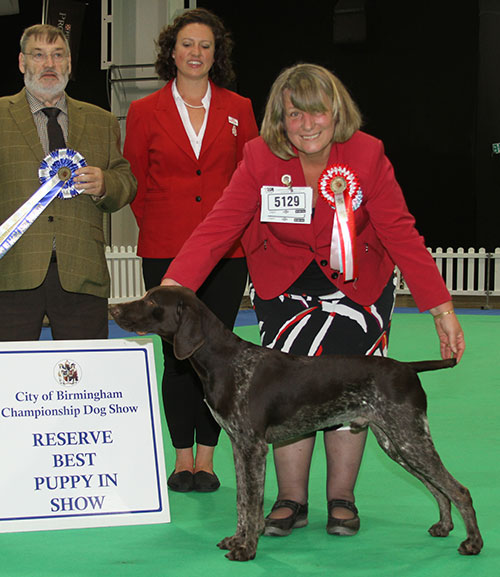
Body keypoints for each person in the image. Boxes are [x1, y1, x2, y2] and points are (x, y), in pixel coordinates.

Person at [160, 63, 465, 534]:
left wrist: (441, 309)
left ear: (335, 111)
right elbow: (220, 225)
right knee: (282, 393)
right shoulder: (260, 157)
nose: (307, 125)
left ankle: (342, 498)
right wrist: (174, 285)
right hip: (284, 289)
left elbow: (400, 232)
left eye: (316, 112)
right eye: (294, 115)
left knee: (353, 390)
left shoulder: (367, 154)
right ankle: (290, 500)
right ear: (280, 119)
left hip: (360, 288)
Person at [123, 8, 258, 493]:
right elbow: (136, 183)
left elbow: (253, 178)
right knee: (176, 358)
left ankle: (208, 457)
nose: (196, 52)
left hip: (228, 256)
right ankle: (182, 459)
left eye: (205, 45)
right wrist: (166, 231)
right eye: (187, 44)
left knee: (218, 356)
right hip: (165, 253)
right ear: (171, 52)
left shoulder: (240, 108)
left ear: (215, 53)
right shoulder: (142, 112)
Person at [0, 24, 136, 341]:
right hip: (11, 272)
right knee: (8, 383)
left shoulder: (102, 121)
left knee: (85, 380)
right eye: (39, 55)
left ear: (69, 63)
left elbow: (126, 181)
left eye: (58, 55)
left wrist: (105, 184)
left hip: (82, 271)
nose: (49, 64)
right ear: (22, 63)